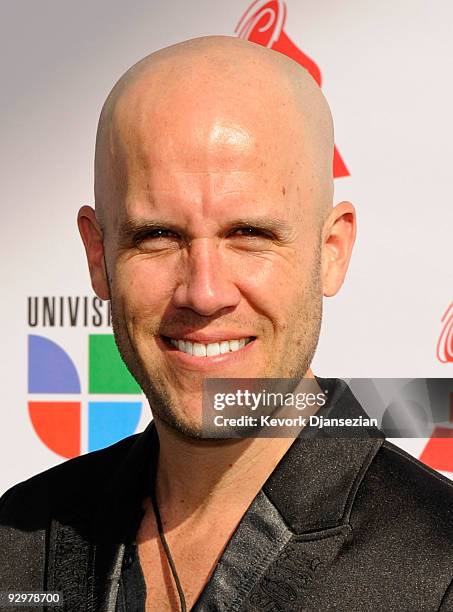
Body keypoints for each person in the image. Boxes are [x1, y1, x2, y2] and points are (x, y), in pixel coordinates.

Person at [1, 35, 453, 612]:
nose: (205, 292)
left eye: (249, 236)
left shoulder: (438, 571)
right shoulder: (19, 543)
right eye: (157, 237)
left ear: (332, 249)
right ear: (99, 256)